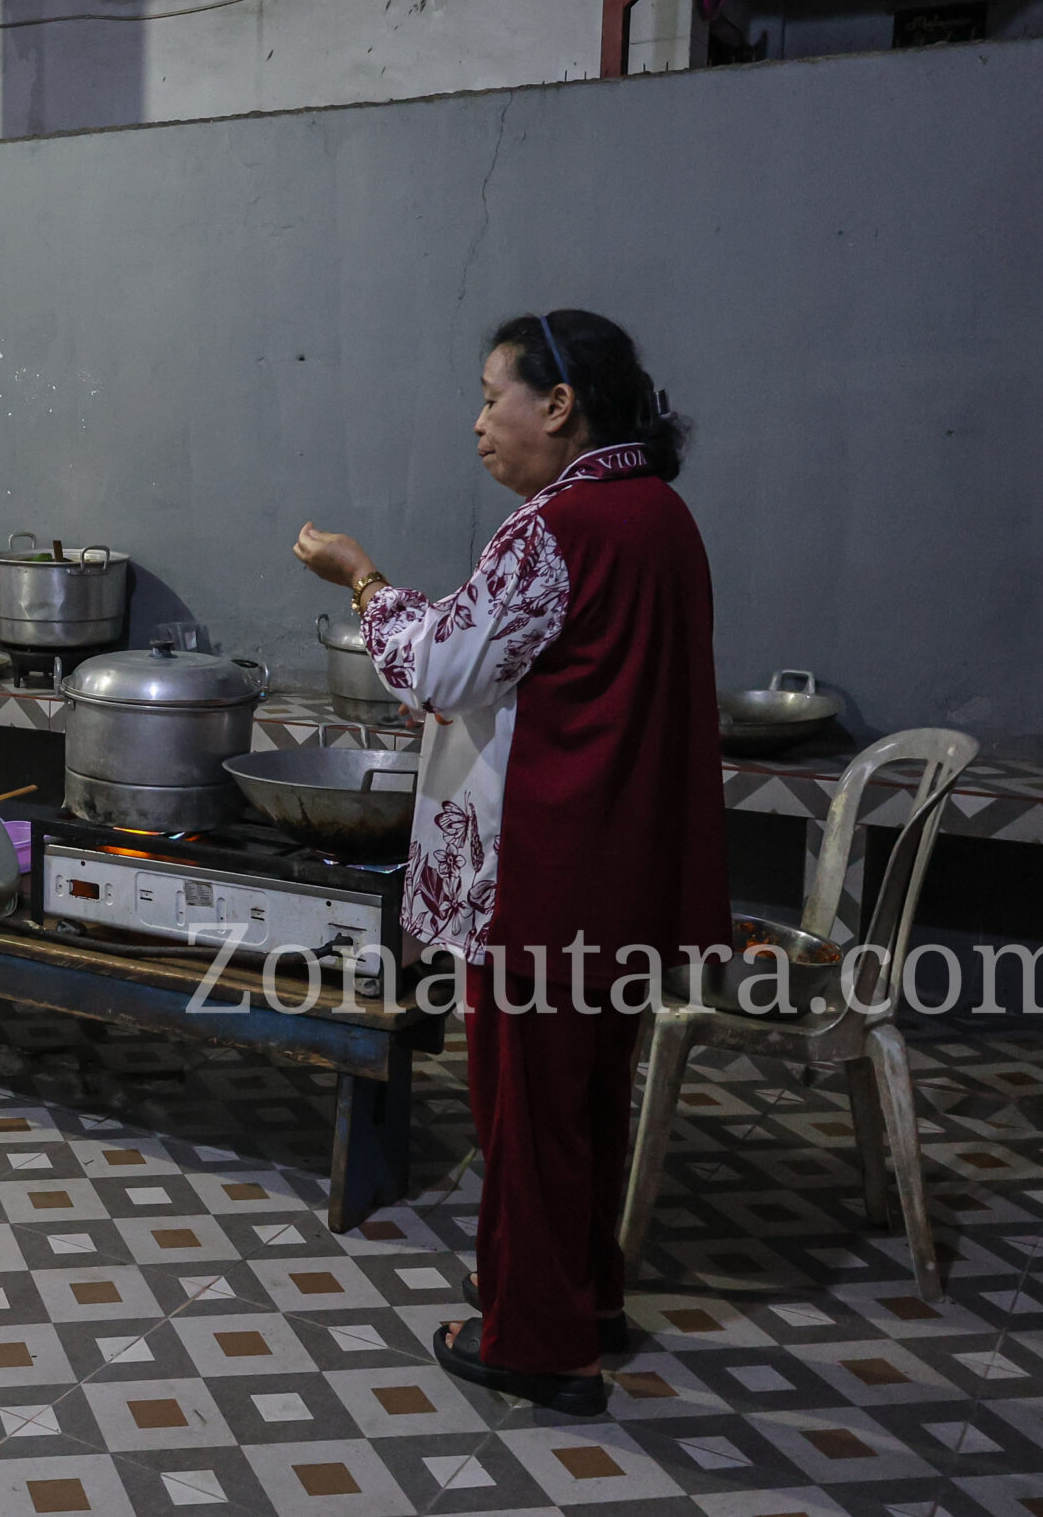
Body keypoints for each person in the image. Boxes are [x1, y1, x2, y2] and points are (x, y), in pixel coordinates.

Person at [293, 309, 729, 1417]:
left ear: (560, 405)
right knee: (584, 1103)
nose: (480, 421)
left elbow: (441, 669)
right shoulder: (661, 516)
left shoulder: (558, 527)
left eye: (493, 396)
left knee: (525, 1116)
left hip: (544, 872)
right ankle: (584, 1304)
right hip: (623, 868)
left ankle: (538, 1346)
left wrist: (361, 579)